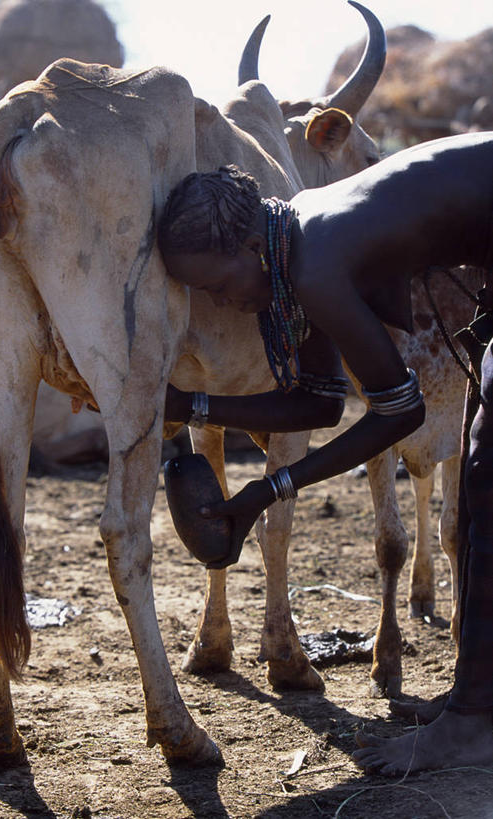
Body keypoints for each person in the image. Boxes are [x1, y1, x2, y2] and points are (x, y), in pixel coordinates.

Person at [159, 131, 493, 775]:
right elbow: (321, 402)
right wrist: (193, 405)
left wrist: (262, 492)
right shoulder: (294, 240)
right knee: (480, 493)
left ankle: (475, 723)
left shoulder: (311, 263)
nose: (223, 302)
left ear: (251, 249)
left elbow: (403, 408)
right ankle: (476, 698)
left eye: (218, 284)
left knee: (488, 478)